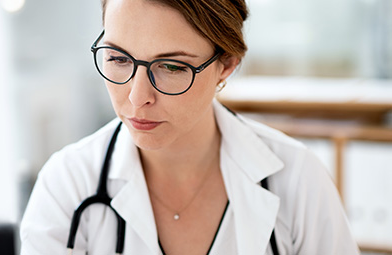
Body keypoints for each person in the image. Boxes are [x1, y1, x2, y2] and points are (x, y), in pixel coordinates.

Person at [19, 0, 360, 254]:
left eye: (171, 66)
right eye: (119, 59)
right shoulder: (67, 186)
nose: (138, 98)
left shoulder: (298, 180)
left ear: (226, 65)